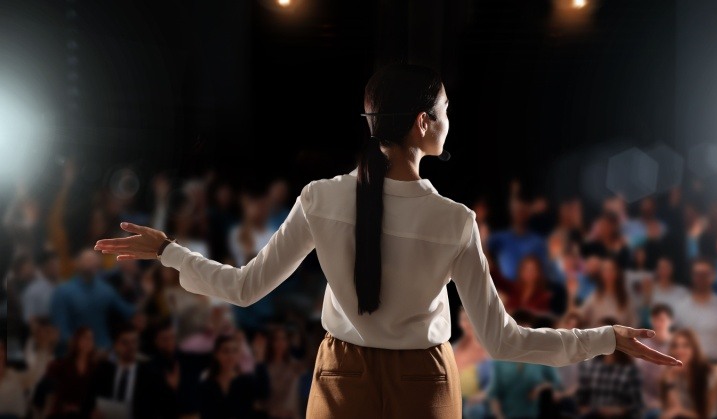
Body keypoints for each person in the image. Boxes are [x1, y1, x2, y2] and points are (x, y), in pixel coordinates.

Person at [94, 63, 680, 418]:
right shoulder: (453, 220)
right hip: (423, 384)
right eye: (445, 109)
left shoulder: (320, 197)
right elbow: (504, 340)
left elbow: (245, 289)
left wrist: (169, 251)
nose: (450, 120)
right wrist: (607, 338)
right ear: (423, 123)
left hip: (339, 381)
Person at [49, 248, 138, 351]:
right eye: (87, 261)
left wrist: (147, 295)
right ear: (77, 264)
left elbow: (128, 311)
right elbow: (60, 329)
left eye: (93, 261)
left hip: (104, 350)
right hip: (75, 352)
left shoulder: (105, 290)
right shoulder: (63, 292)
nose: (91, 264)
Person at [486, 310, 562, 419]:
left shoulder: (541, 356)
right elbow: (494, 394)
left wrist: (541, 388)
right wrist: (499, 416)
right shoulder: (499, 360)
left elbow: (556, 383)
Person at [576, 317, 644, 419]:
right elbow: (582, 397)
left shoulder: (629, 370)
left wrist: (619, 410)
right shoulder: (591, 365)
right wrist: (585, 409)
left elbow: (636, 405)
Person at [673, 258, 717, 363]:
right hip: (688, 366)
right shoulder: (680, 307)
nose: (701, 278)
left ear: (714, 276)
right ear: (692, 276)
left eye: (706, 274)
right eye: (697, 274)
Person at [198, 334, 269, 419]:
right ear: (216, 354)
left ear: (239, 355)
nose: (230, 356)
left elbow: (264, 393)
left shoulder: (246, 381)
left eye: (234, 351)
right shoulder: (206, 385)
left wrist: (260, 361)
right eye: (225, 351)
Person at [659, 328, 714, 419]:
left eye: (685, 346)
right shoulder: (670, 373)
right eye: (675, 346)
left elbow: (707, 414)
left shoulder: (708, 374)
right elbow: (673, 410)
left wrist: (679, 411)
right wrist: (670, 379)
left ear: (694, 349)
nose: (679, 350)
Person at [452, 307, 492, 419]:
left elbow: (497, 383)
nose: (468, 324)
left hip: (478, 404)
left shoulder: (490, 351)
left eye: (471, 319)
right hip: (455, 400)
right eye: (464, 319)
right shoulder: (453, 348)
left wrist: (481, 396)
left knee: (474, 410)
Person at [637, 304, 674, 418]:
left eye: (663, 320)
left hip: (671, 400)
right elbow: (639, 378)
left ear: (671, 321)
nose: (659, 324)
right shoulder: (643, 345)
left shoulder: (677, 345)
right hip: (646, 401)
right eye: (656, 320)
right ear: (651, 321)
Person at [580, 258, 638, 328]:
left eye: (611, 270)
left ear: (617, 273)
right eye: (605, 270)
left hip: (619, 337)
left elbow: (634, 324)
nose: (608, 273)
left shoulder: (626, 299)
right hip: (597, 337)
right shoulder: (594, 297)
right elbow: (580, 316)